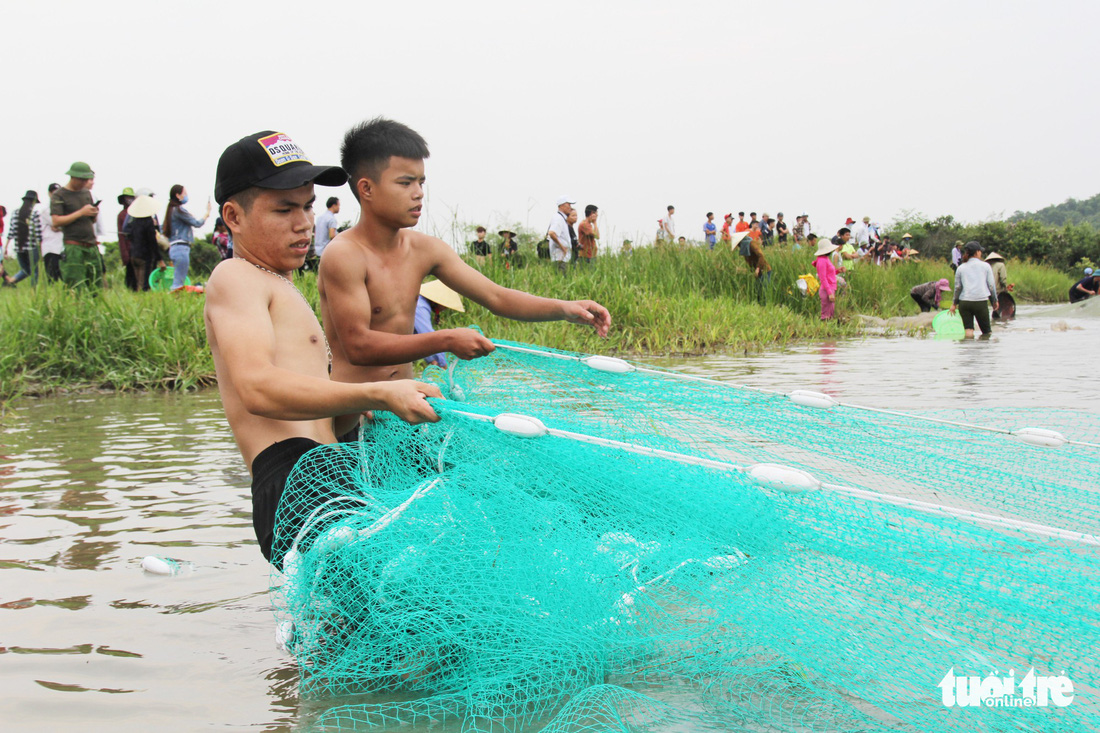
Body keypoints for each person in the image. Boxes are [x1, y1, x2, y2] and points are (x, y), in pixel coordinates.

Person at [204, 129, 442, 567]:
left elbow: (318, 410)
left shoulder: (280, 285)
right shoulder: (234, 277)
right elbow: (257, 389)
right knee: (403, 589)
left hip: (332, 469)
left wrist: (365, 404)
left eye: (308, 205)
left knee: (366, 620)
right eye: (284, 209)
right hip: (297, 478)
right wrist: (375, 393)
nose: (303, 222)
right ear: (234, 216)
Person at [318, 117, 610, 437]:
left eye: (421, 182)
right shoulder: (344, 254)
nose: (418, 194)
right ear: (367, 188)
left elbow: (497, 297)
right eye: (405, 183)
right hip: (355, 419)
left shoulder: (426, 249)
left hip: (408, 413)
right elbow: (359, 347)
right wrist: (447, 339)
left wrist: (565, 308)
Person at [51, 162, 103, 289]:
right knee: (75, 284)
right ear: (73, 177)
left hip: (91, 244)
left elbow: (92, 221)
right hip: (73, 246)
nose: (84, 183)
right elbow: (56, 221)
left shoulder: (86, 193)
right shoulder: (59, 195)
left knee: (96, 284)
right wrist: (81, 212)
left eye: (87, 180)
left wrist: (93, 213)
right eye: (82, 180)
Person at [163, 184, 211, 291]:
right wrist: (207, 213)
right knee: (178, 282)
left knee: (178, 278)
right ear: (178, 195)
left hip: (174, 248)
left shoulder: (171, 211)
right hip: (181, 247)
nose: (186, 196)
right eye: (184, 193)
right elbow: (197, 223)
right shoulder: (179, 210)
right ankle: (175, 300)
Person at [949, 241, 998, 338]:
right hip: (980, 301)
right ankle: (985, 351)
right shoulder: (985, 266)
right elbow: (991, 286)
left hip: (965, 302)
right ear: (977, 252)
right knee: (986, 332)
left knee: (968, 330)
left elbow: (958, 288)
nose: (981, 253)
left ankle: (968, 351)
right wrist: (994, 300)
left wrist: (954, 303)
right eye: (980, 251)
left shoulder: (961, 268)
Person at [414, 279, 465, 368]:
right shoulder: (419, 306)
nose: (445, 309)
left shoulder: (419, 302)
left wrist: (433, 360)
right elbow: (428, 339)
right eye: (445, 306)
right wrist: (443, 364)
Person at [126, 194, 163, 290]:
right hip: (144, 256)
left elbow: (129, 236)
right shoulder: (148, 222)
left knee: (138, 282)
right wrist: (160, 259)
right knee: (144, 285)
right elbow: (152, 242)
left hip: (134, 255)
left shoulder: (133, 222)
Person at [6, 190, 42, 285]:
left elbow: (11, 232)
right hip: (32, 247)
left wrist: (6, 248)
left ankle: (11, 281)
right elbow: (38, 234)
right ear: (33, 202)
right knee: (34, 271)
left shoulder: (15, 213)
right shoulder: (34, 214)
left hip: (19, 247)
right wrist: (41, 249)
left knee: (26, 270)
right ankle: (33, 292)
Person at [38, 183, 63, 282]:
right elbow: (57, 224)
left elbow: (59, 225)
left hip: (62, 246)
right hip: (50, 247)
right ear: (49, 194)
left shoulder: (64, 208)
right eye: (53, 193)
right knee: (52, 278)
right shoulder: (46, 210)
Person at [741, 226, 771, 303]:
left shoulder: (752, 244)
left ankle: (764, 305)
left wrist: (757, 268)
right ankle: (759, 305)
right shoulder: (744, 249)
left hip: (764, 270)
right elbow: (749, 263)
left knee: (763, 289)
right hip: (757, 272)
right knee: (758, 290)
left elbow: (761, 256)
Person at [814, 238, 841, 320]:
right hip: (826, 290)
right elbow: (823, 278)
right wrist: (829, 293)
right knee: (826, 315)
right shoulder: (822, 261)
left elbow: (830, 274)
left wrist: (838, 271)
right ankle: (825, 330)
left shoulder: (826, 259)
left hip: (830, 288)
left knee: (830, 314)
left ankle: (828, 330)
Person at [117, 187, 138, 291]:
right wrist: (124, 254)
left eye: (131, 197)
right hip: (128, 250)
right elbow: (121, 236)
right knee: (131, 277)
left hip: (138, 249)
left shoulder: (137, 213)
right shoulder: (122, 215)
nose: (129, 200)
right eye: (127, 198)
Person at [547, 197, 573, 274]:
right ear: (562, 206)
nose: (570, 208)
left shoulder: (561, 218)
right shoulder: (558, 218)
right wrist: (562, 247)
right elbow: (551, 233)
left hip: (562, 258)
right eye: (569, 205)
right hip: (559, 258)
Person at [313, 196, 340, 260]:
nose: (339, 208)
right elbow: (332, 236)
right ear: (334, 205)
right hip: (325, 252)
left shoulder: (319, 218)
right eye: (338, 205)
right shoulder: (332, 219)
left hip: (317, 251)